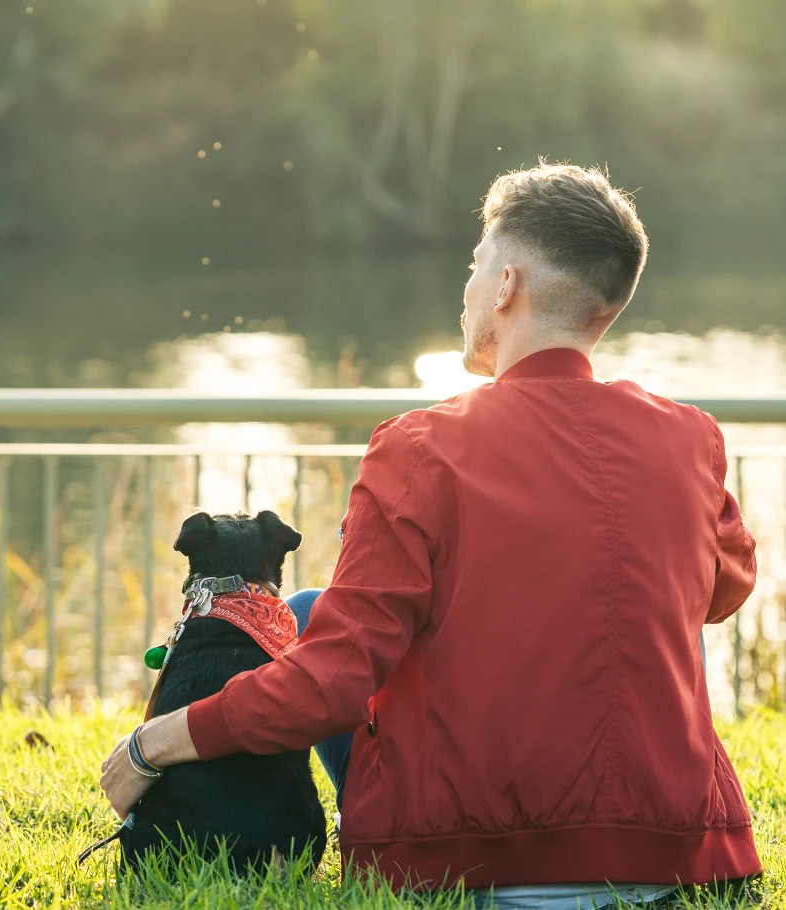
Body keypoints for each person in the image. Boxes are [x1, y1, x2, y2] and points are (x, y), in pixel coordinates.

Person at [102, 164, 761, 905]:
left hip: (466, 867)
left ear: (506, 286)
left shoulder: (420, 447)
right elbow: (725, 589)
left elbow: (334, 681)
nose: (467, 287)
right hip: (673, 856)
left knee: (315, 618)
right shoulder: (689, 438)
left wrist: (153, 743)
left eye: (476, 265)